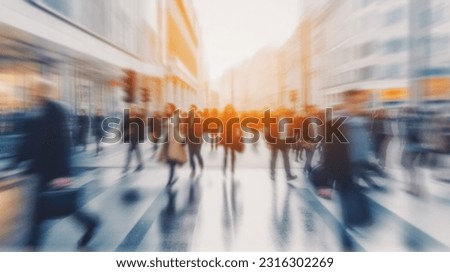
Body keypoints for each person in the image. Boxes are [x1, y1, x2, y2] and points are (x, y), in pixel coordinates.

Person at [18, 78, 98, 250]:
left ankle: (89, 223)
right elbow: (31, 141)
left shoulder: (54, 109)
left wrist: (63, 172)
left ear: (43, 91)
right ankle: (32, 245)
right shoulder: (38, 110)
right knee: (43, 208)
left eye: (36, 89)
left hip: (53, 169)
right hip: (42, 168)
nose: (33, 92)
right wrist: (21, 160)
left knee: (57, 206)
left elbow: (62, 142)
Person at [158, 103, 187, 185]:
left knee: (171, 161)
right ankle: (174, 176)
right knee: (170, 161)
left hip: (174, 142)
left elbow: (179, 130)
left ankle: (170, 179)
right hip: (167, 142)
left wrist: (182, 139)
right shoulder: (166, 117)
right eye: (166, 108)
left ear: (172, 109)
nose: (167, 109)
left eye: (168, 108)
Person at [265, 108, 297, 181]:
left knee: (286, 159)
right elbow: (268, 132)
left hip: (283, 142)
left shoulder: (286, 120)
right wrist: (269, 143)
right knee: (273, 158)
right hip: (275, 142)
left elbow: (288, 132)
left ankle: (288, 175)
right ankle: (272, 174)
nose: (282, 113)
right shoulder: (273, 120)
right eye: (281, 112)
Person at [220, 104, 241, 177]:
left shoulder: (235, 117)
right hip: (226, 137)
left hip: (233, 137)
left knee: (232, 154)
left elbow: (239, 127)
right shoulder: (223, 117)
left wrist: (239, 135)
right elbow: (221, 127)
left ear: (232, 110)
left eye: (230, 109)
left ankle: (232, 168)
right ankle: (224, 167)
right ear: (226, 110)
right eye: (228, 109)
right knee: (225, 153)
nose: (229, 110)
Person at [123, 104, 144, 173]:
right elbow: (124, 126)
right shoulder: (127, 117)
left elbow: (141, 128)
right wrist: (127, 130)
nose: (133, 109)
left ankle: (127, 167)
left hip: (136, 138)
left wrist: (141, 138)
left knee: (133, 152)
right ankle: (139, 165)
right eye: (132, 108)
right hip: (130, 138)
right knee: (134, 152)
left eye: (134, 108)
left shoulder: (138, 118)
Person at [187, 105, 204, 178]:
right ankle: (193, 169)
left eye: (192, 109)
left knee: (197, 153)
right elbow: (185, 129)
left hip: (197, 139)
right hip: (190, 139)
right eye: (190, 109)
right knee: (191, 155)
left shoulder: (198, 118)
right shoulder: (187, 119)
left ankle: (201, 163)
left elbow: (201, 130)